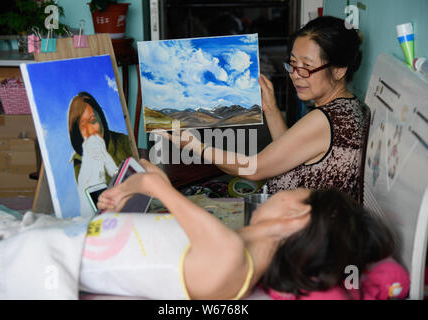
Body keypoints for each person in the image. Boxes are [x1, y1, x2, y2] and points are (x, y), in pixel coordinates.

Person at [83, 159, 398, 300]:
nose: (280, 194)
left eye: (293, 192)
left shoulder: (230, 254)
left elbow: (151, 184)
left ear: (298, 215)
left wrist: (139, 184)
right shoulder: (236, 248)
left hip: (55, 250)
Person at [165, 16, 369, 203]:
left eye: (306, 67)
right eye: (292, 63)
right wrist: (271, 107)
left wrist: (194, 145)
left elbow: (254, 168)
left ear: (339, 70)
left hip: (304, 233)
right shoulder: (345, 107)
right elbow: (290, 153)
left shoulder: (326, 119)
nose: (296, 75)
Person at [67, 92, 133, 216]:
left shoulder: (124, 141)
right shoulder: (80, 161)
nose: (90, 131)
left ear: (101, 118)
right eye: (82, 126)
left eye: (92, 121)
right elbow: (95, 207)